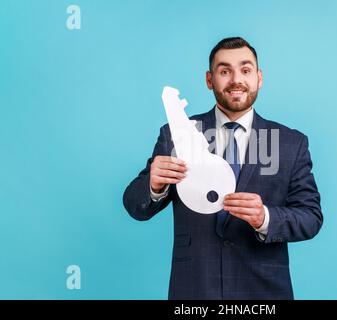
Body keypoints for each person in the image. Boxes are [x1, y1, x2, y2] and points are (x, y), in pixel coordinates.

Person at [123, 37, 323, 300]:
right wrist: (154, 185)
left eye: (245, 69)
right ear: (210, 79)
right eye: (224, 70)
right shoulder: (177, 134)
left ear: (259, 78)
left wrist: (265, 218)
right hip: (194, 289)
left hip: (264, 292)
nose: (235, 79)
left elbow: (310, 217)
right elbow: (134, 205)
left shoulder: (290, 143)